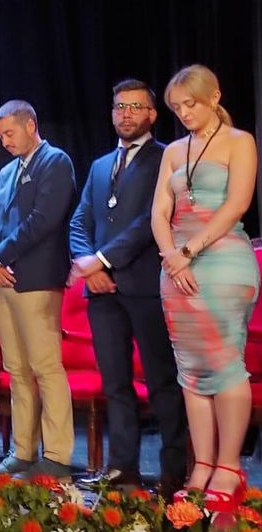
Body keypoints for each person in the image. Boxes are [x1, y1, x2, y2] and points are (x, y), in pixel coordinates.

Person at [70, 80, 186, 496]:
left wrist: (102, 260)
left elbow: (149, 224)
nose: (125, 114)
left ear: (152, 115)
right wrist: (90, 266)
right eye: (119, 107)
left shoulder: (166, 158)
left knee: (161, 381)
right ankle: (124, 469)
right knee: (115, 383)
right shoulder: (101, 165)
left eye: (135, 107)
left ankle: (174, 471)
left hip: (145, 286)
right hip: (102, 293)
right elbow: (81, 220)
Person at [151, 64, 258, 510]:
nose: (184, 113)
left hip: (222, 262)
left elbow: (237, 204)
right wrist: (172, 255)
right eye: (177, 107)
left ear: (214, 96)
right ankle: (203, 464)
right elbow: (159, 211)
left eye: (190, 103)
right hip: (177, 268)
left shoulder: (240, 142)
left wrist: (189, 249)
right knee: (191, 370)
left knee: (225, 362)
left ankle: (229, 466)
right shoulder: (175, 151)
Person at [0, 100, 77, 479]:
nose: (5, 141)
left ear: (31, 124)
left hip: (35, 279)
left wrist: (0, 256)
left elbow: (43, 220)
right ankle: (22, 450)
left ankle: (56, 456)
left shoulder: (55, 162)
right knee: (17, 369)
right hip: (1, 280)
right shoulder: (4, 173)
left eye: (10, 132)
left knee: (45, 367)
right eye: (0, 135)